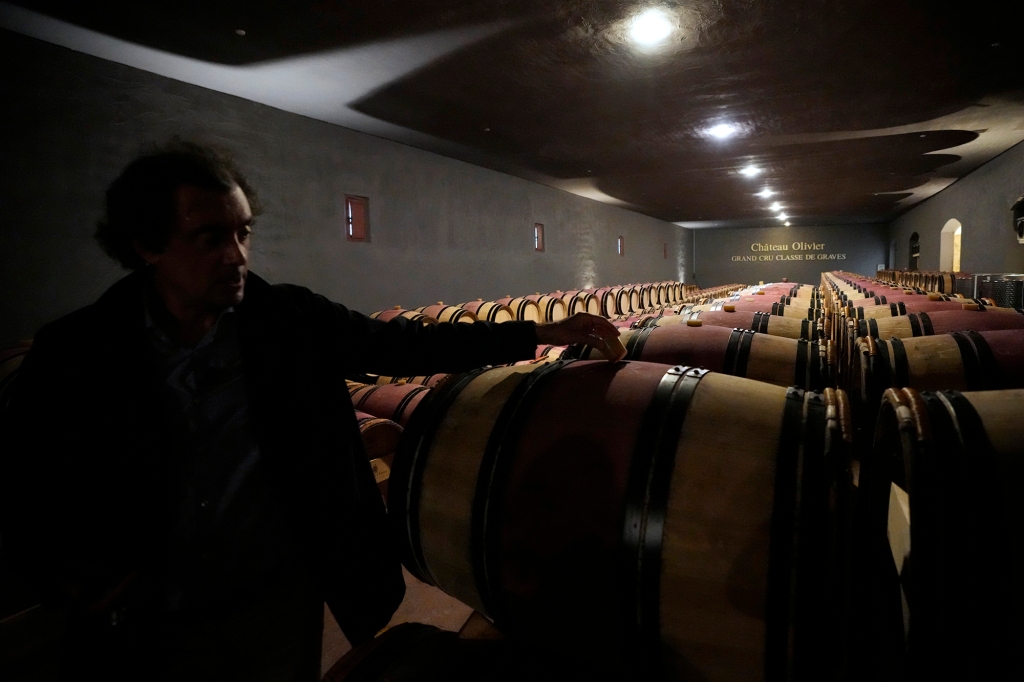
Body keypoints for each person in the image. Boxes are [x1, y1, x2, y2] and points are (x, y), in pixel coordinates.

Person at [0, 141, 624, 681]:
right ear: (144, 244)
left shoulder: (285, 318)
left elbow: (402, 344)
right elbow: (23, 477)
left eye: (243, 232)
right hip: (141, 622)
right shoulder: (77, 352)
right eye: (211, 238)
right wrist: (65, 578)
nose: (237, 255)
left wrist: (539, 332)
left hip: (273, 600)